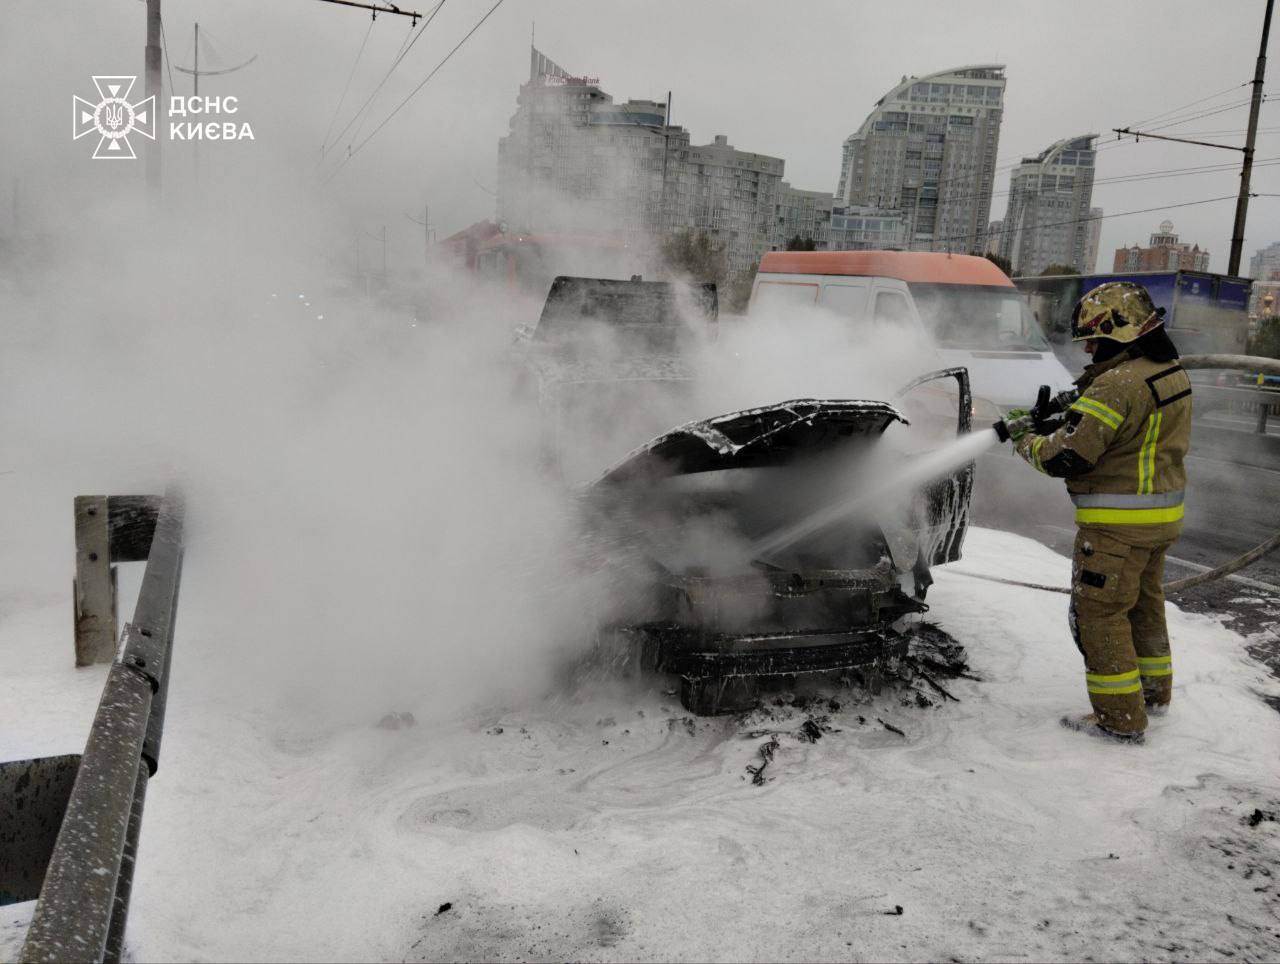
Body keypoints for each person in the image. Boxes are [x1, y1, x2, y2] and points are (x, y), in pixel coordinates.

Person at [1002, 282, 1192, 743]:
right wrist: (1070, 414)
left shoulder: (1117, 385)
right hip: (1159, 520)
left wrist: (1024, 439)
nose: (1088, 349)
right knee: (1144, 606)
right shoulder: (1168, 371)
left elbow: (1066, 456)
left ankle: (1119, 719)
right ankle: (1153, 693)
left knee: (1100, 615)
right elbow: (1122, 429)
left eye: (1093, 339)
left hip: (1116, 530)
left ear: (1118, 332)